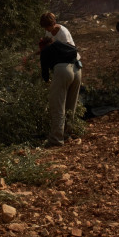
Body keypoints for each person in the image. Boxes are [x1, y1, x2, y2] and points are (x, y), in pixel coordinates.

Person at [38, 12, 82, 147]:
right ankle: (68, 133)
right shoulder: (57, 43)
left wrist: (47, 82)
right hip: (78, 67)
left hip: (64, 71)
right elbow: (74, 49)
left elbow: (45, 72)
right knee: (71, 104)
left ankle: (56, 140)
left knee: (57, 105)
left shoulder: (48, 48)